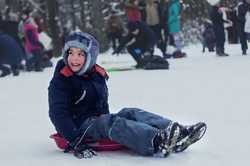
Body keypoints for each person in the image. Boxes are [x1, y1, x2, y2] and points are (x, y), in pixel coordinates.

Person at [48, 31, 207, 158]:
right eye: (71, 53)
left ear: (90, 57)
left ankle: (176, 131)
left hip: (98, 120)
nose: (74, 58)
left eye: (81, 54)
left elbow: (102, 104)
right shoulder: (61, 81)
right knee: (109, 122)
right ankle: (156, 141)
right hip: (78, 126)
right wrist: (75, 140)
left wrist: (109, 125)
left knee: (130, 112)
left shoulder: (96, 74)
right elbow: (58, 113)